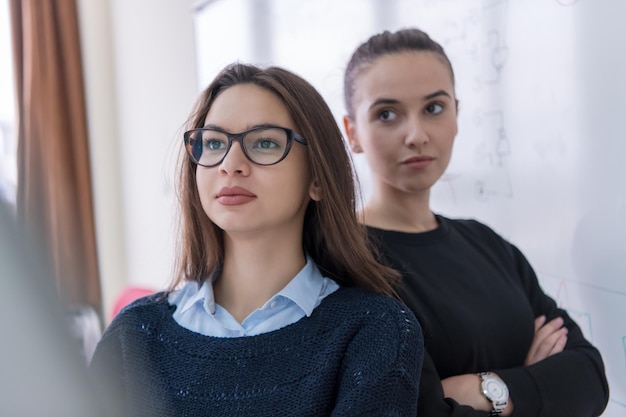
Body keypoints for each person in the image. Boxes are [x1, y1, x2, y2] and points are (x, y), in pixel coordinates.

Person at [89, 62, 423, 417]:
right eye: (214, 142)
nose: (230, 164)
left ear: (318, 179)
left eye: (264, 143)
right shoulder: (134, 334)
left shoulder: (374, 330)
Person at [342, 28, 609, 417]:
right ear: (353, 134)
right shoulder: (345, 261)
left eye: (434, 108)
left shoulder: (486, 243)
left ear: (456, 114)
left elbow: (590, 377)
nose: (416, 135)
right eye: (387, 114)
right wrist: (534, 383)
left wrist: (485, 389)